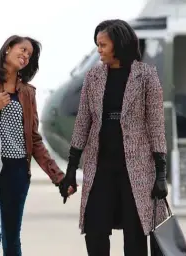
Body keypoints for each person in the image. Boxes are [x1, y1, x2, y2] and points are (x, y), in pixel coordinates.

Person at [58, 19, 169, 256]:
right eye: (97, 44)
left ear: (118, 44)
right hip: (100, 168)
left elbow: (156, 126)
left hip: (137, 169)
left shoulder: (147, 76)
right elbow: (82, 124)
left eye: (103, 45)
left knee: (135, 234)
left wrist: (161, 174)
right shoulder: (93, 77)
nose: (99, 50)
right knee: (95, 230)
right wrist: (70, 170)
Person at [0, 35, 65, 256]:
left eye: (29, 55)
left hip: (16, 171)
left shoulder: (27, 92)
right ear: (7, 49)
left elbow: (34, 139)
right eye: (22, 50)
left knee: (12, 238)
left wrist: (57, 176)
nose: (25, 56)